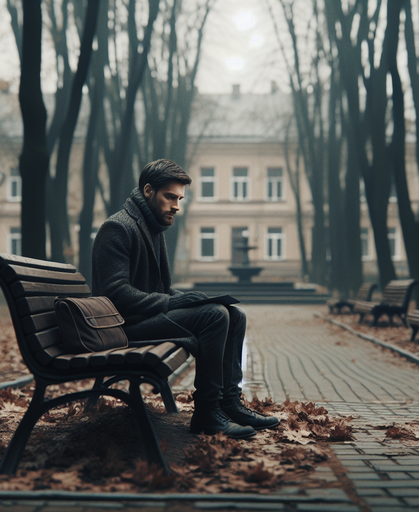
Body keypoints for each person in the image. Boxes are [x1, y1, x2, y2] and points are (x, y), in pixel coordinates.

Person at [92, 159, 279, 439]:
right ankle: (206, 413)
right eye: (170, 197)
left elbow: (161, 289)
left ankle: (229, 402)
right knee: (214, 315)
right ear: (147, 191)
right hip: (122, 327)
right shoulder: (118, 228)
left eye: (179, 198)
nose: (176, 205)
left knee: (233, 313)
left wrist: (190, 298)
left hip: (143, 318)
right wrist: (174, 302)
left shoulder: (152, 227)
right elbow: (115, 295)